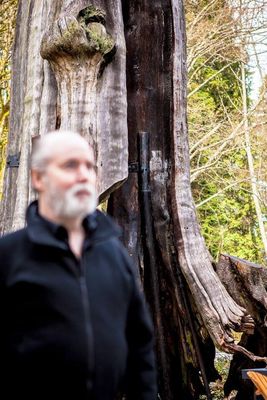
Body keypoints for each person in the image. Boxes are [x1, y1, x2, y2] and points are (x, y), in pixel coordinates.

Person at [0, 131, 157, 400]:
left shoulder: (114, 254)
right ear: (38, 177)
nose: (84, 175)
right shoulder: (8, 255)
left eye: (89, 166)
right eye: (70, 165)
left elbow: (139, 346)